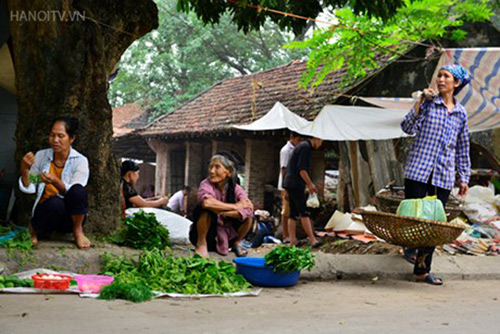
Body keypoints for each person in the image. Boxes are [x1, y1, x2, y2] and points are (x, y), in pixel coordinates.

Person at [401, 63, 471, 285]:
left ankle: (422, 269)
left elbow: (462, 147)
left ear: (456, 83)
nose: (440, 80)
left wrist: (464, 177)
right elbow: (407, 127)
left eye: (446, 76)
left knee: (434, 223)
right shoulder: (429, 104)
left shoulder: (461, 113)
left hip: (443, 175)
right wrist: (420, 101)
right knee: (413, 217)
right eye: (439, 76)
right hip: (418, 171)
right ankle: (409, 247)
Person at [19, 117, 91, 249]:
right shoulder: (41, 156)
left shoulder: (80, 161)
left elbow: (74, 192)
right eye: (52, 135)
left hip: (70, 217)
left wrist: (56, 181)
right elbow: (31, 184)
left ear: (71, 138)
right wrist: (24, 169)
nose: (55, 140)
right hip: (47, 212)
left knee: (78, 190)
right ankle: (34, 229)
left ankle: (77, 231)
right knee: (55, 203)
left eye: (60, 136)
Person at [189, 154, 253, 258]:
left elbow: (248, 208)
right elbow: (207, 203)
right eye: (211, 167)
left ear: (229, 172)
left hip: (228, 235)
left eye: (217, 167)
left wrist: (223, 212)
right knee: (205, 210)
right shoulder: (206, 184)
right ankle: (201, 244)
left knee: (249, 217)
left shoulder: (236, 188)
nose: (212, 171)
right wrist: (235, 206)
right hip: (209, 234)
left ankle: (237, 243)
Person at [283, 136, 323, 247]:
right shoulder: (305, 147)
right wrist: (310, 184)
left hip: (290, 182)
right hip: (295, 183)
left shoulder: (301, 146)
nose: (320, 144)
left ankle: (292, 241)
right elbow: (302, 169)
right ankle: (312, 239)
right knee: (304, 212)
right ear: (316, 138)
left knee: (293, 214)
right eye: (321, 141)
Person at [278, 131, 303, 243]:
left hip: (293, 184)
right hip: (286, 184)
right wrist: (285, 188)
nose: (299, 142)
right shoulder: (285, 151)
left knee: (292, 210)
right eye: (298, 140)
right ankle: (285, 235)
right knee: (286, 211)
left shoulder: (296, 150)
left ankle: (291, 235)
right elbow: (284, 169)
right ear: (292, 137)